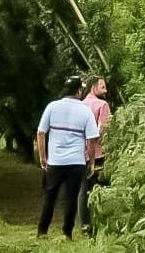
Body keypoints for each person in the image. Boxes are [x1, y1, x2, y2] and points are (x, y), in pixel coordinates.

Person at [36, 76, 100, 239]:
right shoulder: (85, 110)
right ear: (79, 91)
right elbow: (91, 139)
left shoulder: (52, 106)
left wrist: (43, 157)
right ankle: (67, 233)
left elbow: (41, 133)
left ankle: (43, 231)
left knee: (50, 196)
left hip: (55, 161)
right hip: (76, 162)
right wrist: (91, 162)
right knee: (71, 197)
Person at [78, 75, 112, 231]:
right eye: (102, 86)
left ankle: (85, 226)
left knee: (83, 191)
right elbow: (103, 130)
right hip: (97, 154)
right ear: (93, 86)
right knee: (102, 190)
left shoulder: (80, 105)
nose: (106, 89)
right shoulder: (102, 105)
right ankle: (103, 225)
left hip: (79, 153)